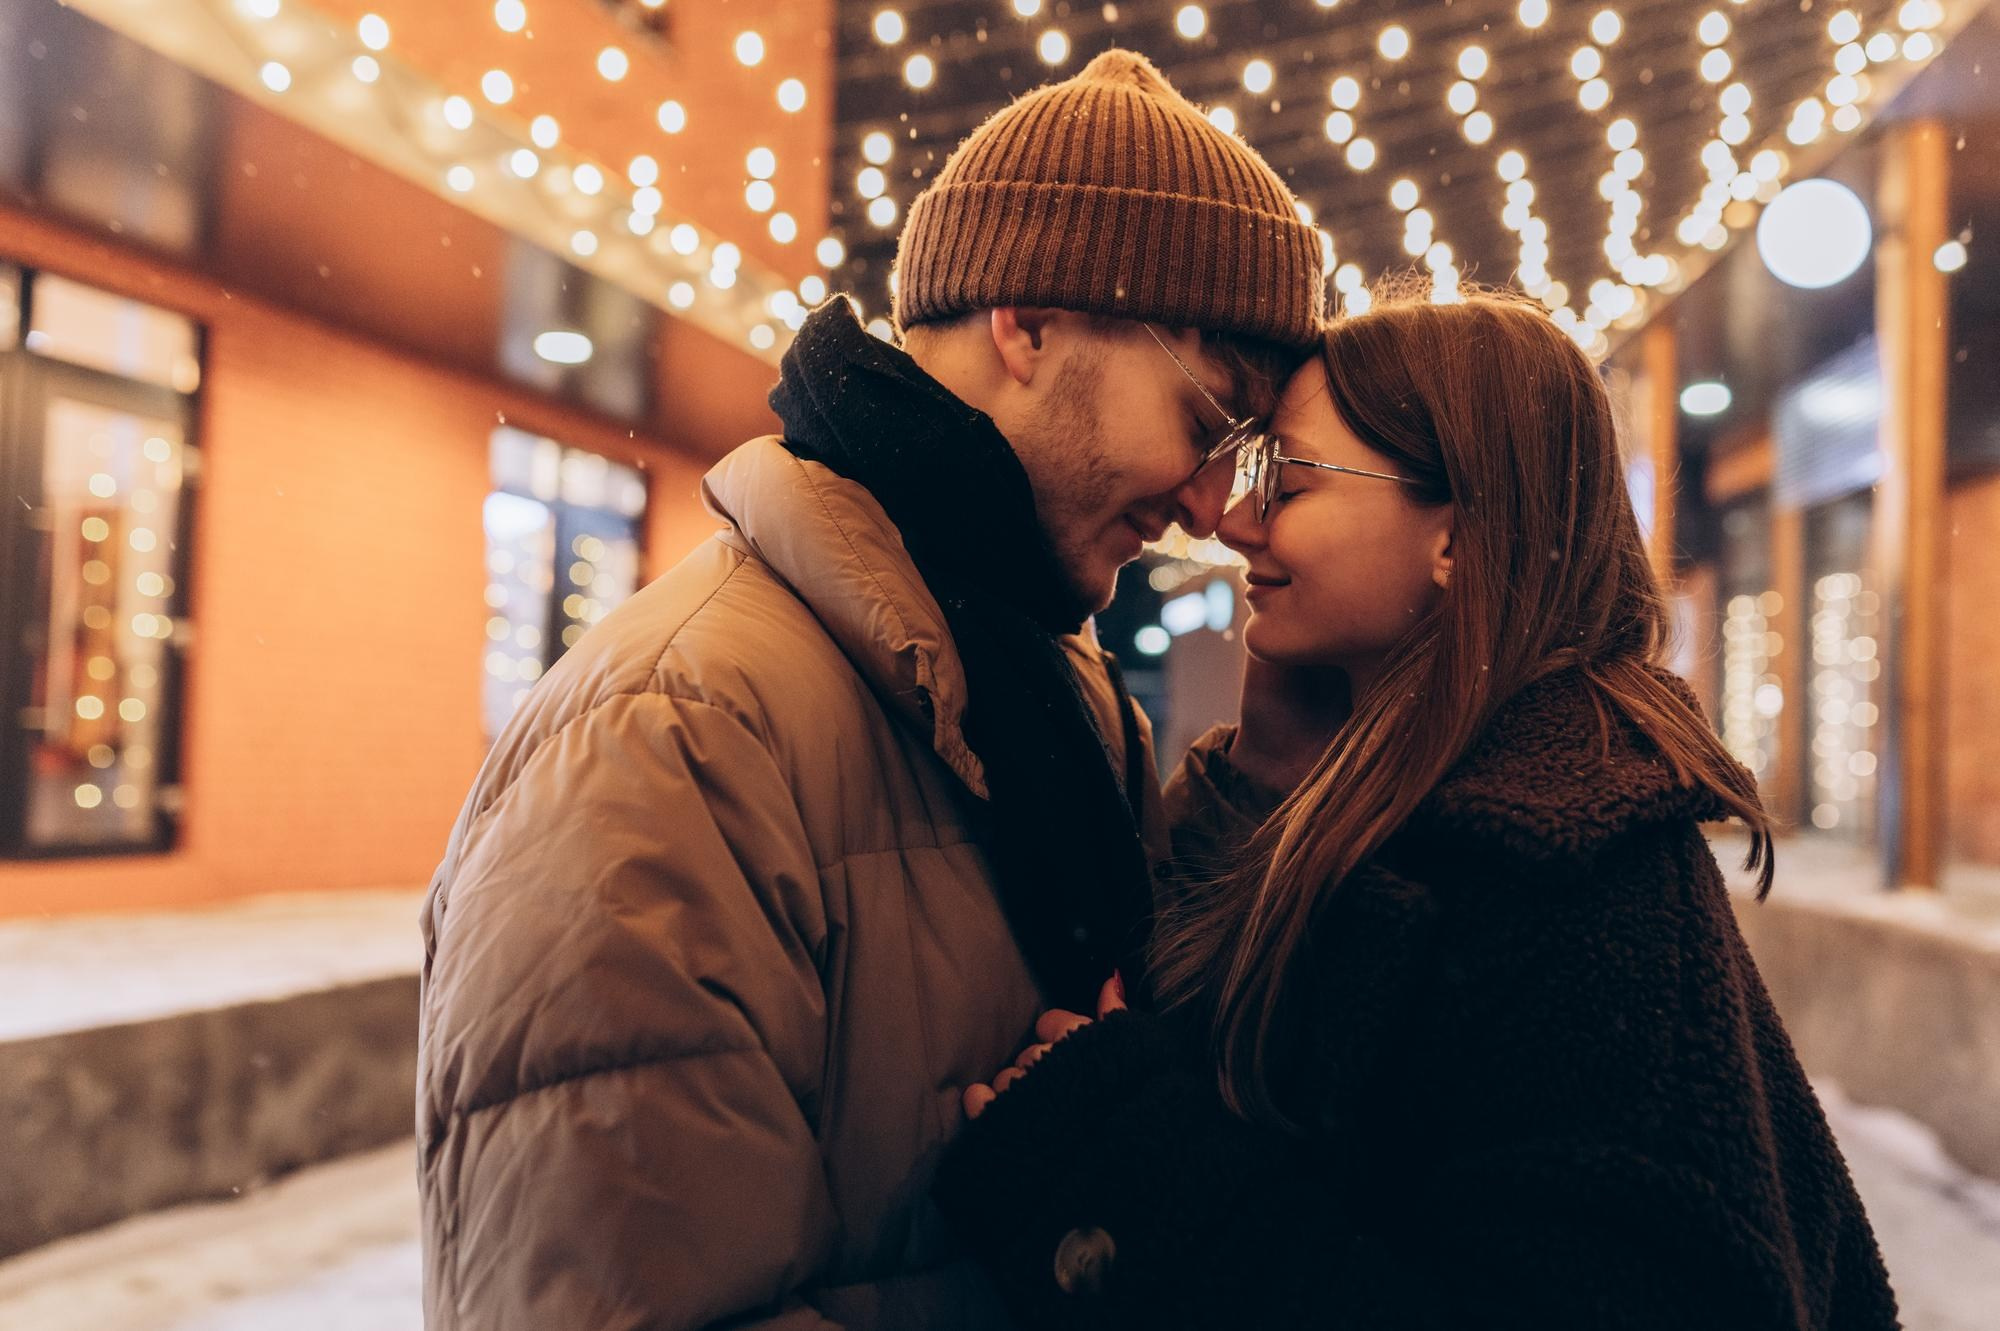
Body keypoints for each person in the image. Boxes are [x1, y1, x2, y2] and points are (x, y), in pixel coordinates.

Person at [414, 50, 1323, 1331]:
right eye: (1207, 418)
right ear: (1028, 322)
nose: (1209, 507)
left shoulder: (1054, 691)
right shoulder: (673, 727)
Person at [937, 289, 1901, 1331]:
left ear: (1456, 536)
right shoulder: (1398, 802)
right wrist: (1256, 780)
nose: (1234, 518)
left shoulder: (1570, 886)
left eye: (1290, 481)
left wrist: (1115, 1156)